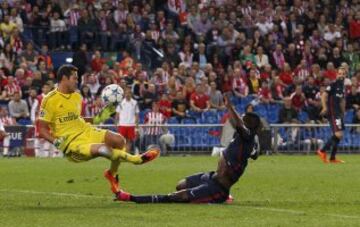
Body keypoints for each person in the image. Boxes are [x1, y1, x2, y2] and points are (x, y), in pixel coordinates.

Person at [114, 95, 263, 203]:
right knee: (180, 185)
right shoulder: (245, 139)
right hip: (212, 176)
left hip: (218, 188)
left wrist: (230, 107)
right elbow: (250, 148)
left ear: (249, 125)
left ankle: (130, 197)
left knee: (175, 197)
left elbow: (238, 123)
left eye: (245, 119)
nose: (241, 118)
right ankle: (213, 196)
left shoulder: (247, 136)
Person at [38, 65, 159, 194]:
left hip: (86, 131)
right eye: (74, 78)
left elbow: (79, 119)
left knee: (119, 140)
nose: (77, 81)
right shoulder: (49, 100)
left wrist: (103, 115)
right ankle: (137, 159)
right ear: (64, 78)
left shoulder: (77, 97)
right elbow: (42, 129)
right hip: (72, 143)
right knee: (103, 149)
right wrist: (57, 142)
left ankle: (112, 174)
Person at [317, 67, 346, 164]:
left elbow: (341, 100)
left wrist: (343, 112)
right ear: (337, 74)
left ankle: (332, 158)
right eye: (340, 73)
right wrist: (325, 107)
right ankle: (322, 151)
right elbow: (324, 95)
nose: (341, 75)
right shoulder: (333, 84)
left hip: (338, 113)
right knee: (338, 134)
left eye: (343, 74)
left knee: (339, 135)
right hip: (333, 112)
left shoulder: (342, 87)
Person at [116, 88, 140, 154]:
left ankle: (127, 155)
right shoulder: (120, 103)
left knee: (129, 141)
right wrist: (116, 123)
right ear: (124, 94)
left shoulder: (135, 103)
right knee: (122, 141)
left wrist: (137, 128)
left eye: (129, 93)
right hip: (122, 124)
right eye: (126, 93)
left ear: (131, 94)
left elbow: (137, 115)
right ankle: (122, 154)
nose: (127, 94)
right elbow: (117, 114)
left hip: (131, 125)